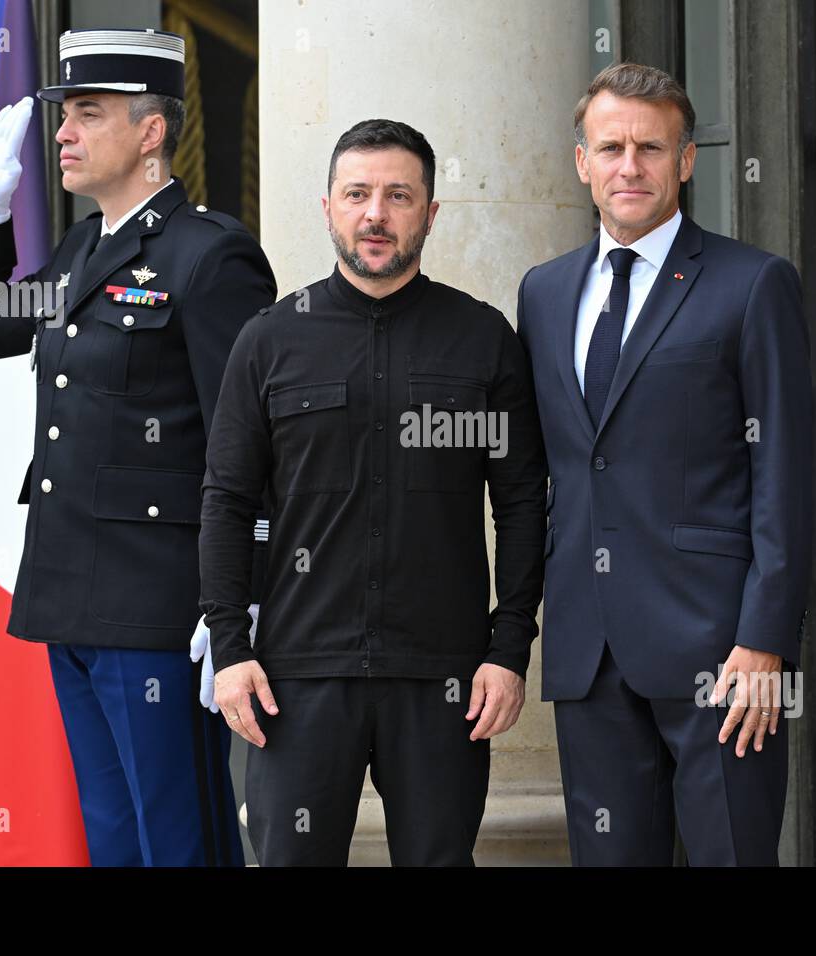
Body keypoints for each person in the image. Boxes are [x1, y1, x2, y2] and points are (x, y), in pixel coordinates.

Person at [0, 28, 276, 866]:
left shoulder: (210, 256)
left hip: (160, 608)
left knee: (178, 838)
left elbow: (252, 444)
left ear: (151, 131)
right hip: (72, 596)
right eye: (64, 115)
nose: (63, 134)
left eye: (87, 113)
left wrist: (240, 607)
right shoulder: (85, 248)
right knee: (115, 837)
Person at [199, 119, 547, 866]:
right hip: (297, 677)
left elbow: (521, 502)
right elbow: (226, 501)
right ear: (328, 206)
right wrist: (230, 648)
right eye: (357, 194)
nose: (376, 215)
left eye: (398, 195)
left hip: (445, 681)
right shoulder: (268, 341)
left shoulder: (483, 340)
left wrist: (509, 647)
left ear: (430, 212)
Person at [515, 62, 814, 866]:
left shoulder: (753, 285)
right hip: (588, 649)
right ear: (582, 160)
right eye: (610, 146)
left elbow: (784, 476)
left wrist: (764, 641)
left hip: (721, 653)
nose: (629, 166)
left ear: (685, 161)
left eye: (652, 147)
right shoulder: (543, 294)